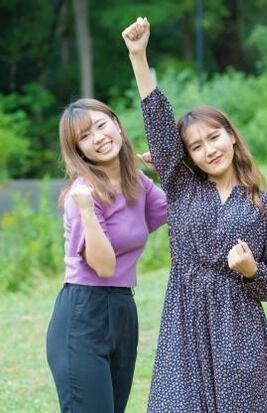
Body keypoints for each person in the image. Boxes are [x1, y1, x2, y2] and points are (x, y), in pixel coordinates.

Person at [121, 17, 267, 412]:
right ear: (188, 156)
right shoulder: (181, 186)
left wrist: (251, 270)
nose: (209, 150)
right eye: (196, 146)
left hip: (239, 325)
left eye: (214, 137)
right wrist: (139, 57)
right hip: (186, 319)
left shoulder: (264, 205)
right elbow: (159, 127)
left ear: (231, 136)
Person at [46, 98, 168, 413]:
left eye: (101, 125)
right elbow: (103, 266)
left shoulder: (137, 181)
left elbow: (178, 210)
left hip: (123, 309)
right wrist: (87, 210)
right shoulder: (81, 196)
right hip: (83, 313)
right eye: (85, 136)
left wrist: (167, 173)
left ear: (116, 124)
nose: (98, 138)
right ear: (78, 150)